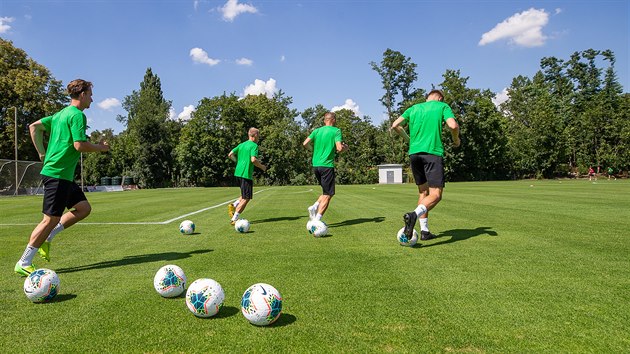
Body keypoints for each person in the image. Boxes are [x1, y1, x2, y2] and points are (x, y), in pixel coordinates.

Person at [15, 79, 109, 276]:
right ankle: (24, 262)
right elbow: (79, 145)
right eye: (90, 94)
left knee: (83, 208)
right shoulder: (77, 116)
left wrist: (41, 152)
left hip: (62, 175)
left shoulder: (60, 115)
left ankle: (48, 237)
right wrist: (100, 148)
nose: (92, 98)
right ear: (82, 94)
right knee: (49, 220)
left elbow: (34, 126)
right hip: (57, 174)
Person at [391, 89, 460, 242]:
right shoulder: (442, 107)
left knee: (423, 193)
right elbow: (453, 126)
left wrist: (409, 140)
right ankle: (413, 215)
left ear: (428, 97)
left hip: (414, 154)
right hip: (432, 153)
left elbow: (395, 125)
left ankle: (425, 231)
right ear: (440, 98)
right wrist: (456, 140)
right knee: (436, 194)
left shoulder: (414, 108)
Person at [303, 111, 348, 223]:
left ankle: (315, 206)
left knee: (326, 192)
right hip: (327, 166)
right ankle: (317, 220)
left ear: (324, 120)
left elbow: (305, 143)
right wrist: (345, 148)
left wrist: (312, 150)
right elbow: (339, 148)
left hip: (316, 166)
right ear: (334, 120)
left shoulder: (317, 131)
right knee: (328, 195)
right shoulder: (336, 131)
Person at [227, 128, 267, 224]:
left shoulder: (242, 145)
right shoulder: (254, 146)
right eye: (259, 135)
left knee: (244, 194)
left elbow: (230, 154)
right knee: (247, 198)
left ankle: (234, 204)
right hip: (246, 174)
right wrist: (262, 167)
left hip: (238, 173)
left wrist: (237, 162)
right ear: (256, 135)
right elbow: (253, 160)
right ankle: (234, 218)